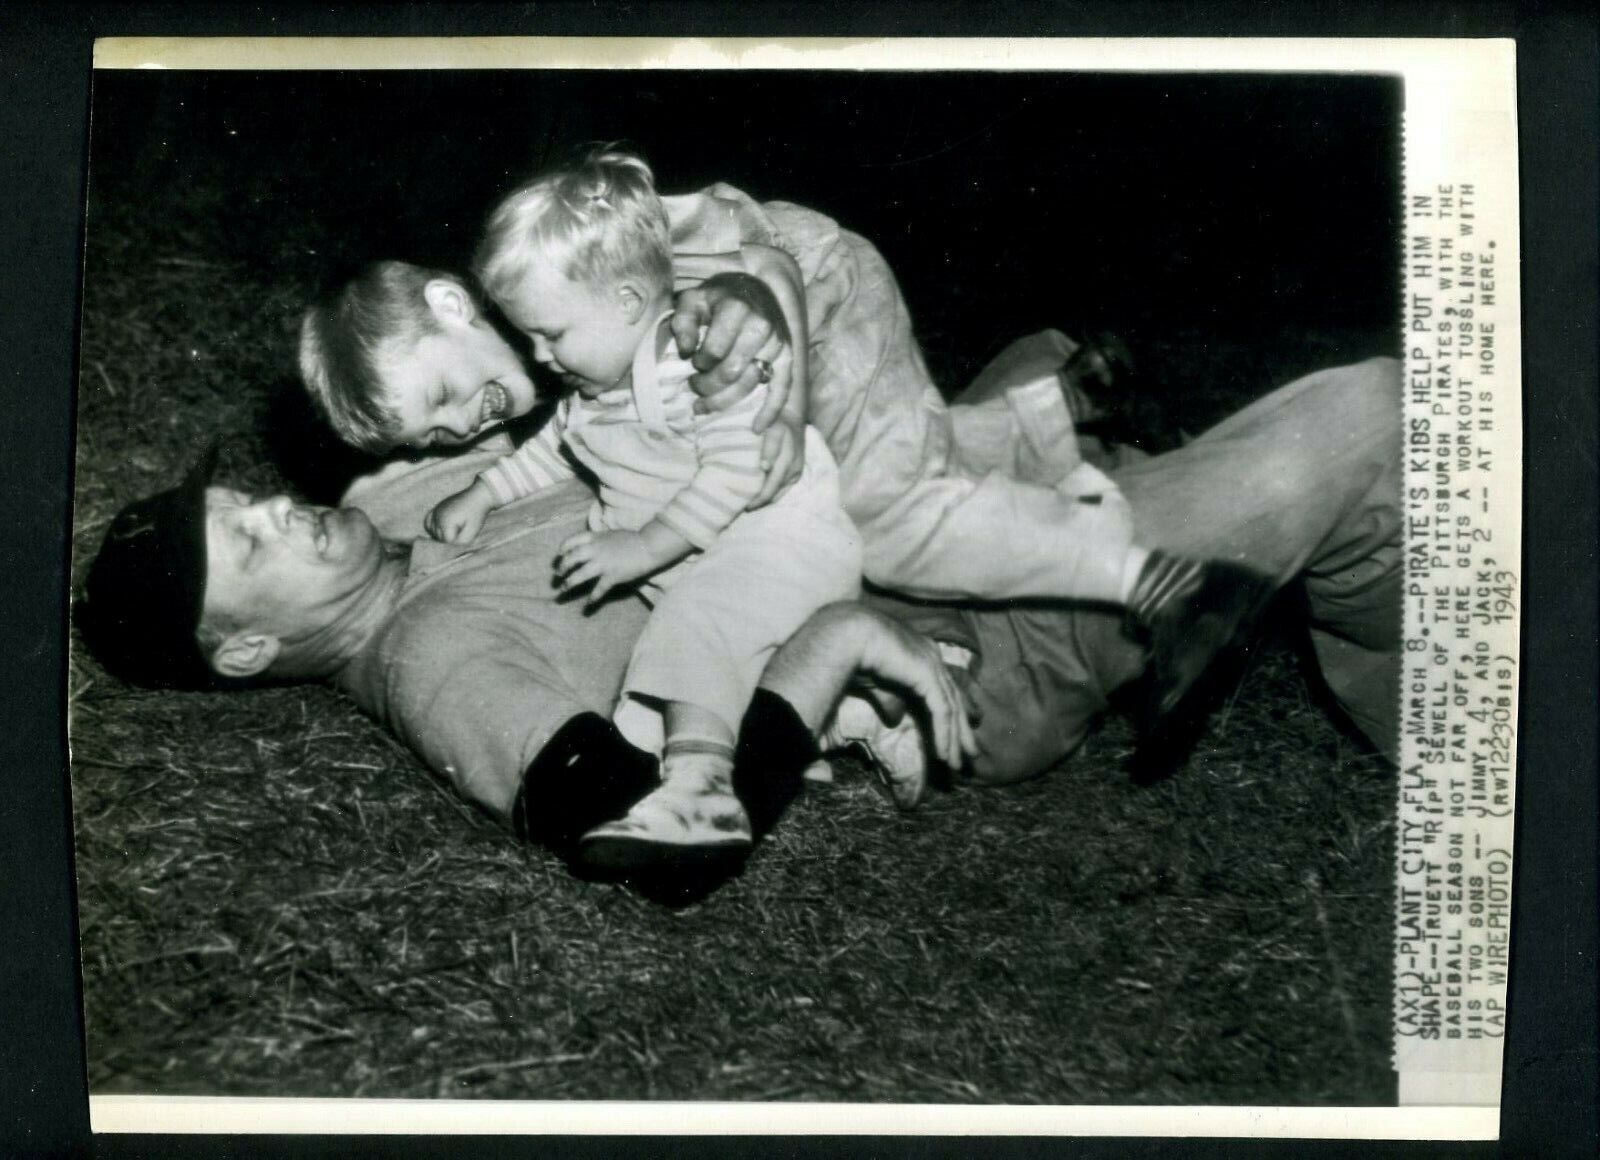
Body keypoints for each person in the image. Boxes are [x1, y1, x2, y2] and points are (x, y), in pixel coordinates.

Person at [77, 339, 1402, 902]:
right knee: (1369, 425)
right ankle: (1391, 659)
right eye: (246, 547)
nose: (272, 511)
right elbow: (659, 844)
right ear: (246, 650)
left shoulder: (389, 497)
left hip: (884, 504)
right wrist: (829, 655)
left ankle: (1319, 591)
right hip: (964, 646)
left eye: (242, 500)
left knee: (1041, 375)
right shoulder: (436, 661)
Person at [299, 150, 1274, 749]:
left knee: (884, 517)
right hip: (793, 347)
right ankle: (1063, 402)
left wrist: (777, 365)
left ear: (448, 303)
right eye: (435, 433)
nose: (461, 424)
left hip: (814, 289)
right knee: (888, 452)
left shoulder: (550, 258)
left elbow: (745, 237)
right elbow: (578, 440)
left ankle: (1170, 586)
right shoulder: (552, 345)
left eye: (441, 394)